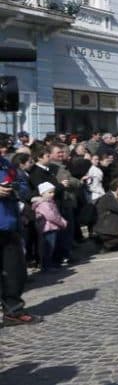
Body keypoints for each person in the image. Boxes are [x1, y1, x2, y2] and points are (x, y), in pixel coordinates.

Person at [1, 134, 41, 325]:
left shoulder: (7, 165)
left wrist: (16, 189)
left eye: (4, 146)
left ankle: (13, 311)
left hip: (9, 224)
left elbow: (24, 188)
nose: (3, 149)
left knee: (16, 271)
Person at [31, 182, 67, 271]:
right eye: (50, 192)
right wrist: (62, 222)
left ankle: (51, 264)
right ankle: (46, 266)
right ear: (42, 193)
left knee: (51, 247)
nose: (52, 194)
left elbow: (56, 213)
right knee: (48, 248)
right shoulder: (43, 204)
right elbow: (51, 216)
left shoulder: (50, 202)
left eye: (53, 192)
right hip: (48, 228)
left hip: (52, 227)